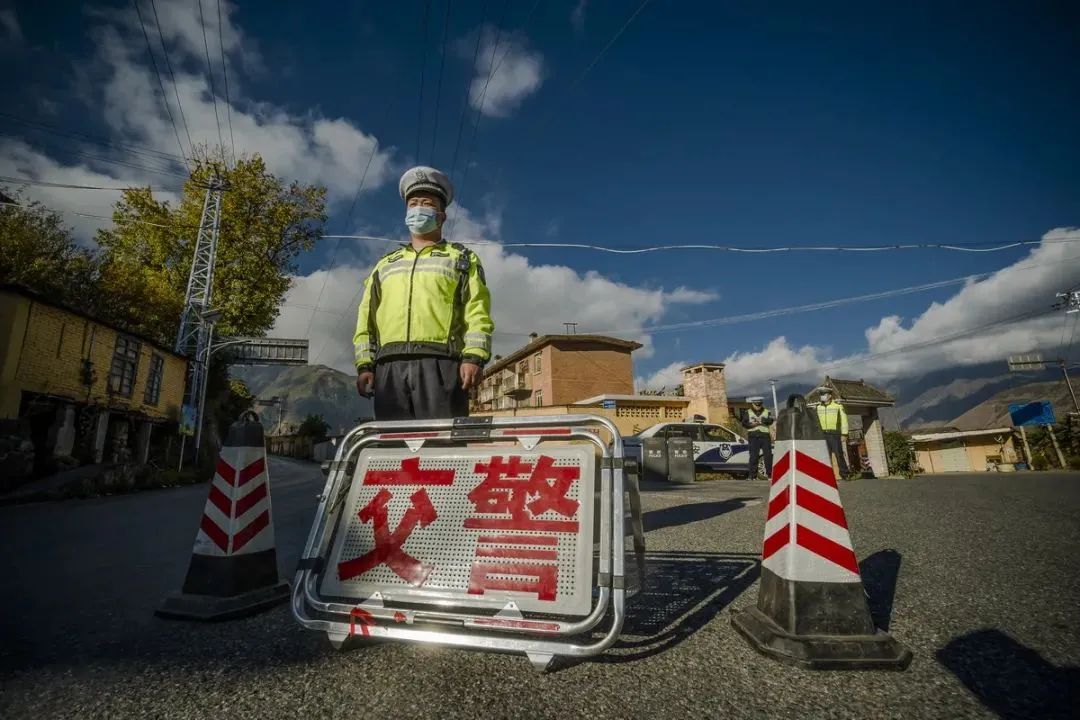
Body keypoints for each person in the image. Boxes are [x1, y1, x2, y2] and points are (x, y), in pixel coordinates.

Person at [353, 166, 494, 420]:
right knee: (393, 449)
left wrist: (473, 358)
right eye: (412, 204)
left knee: (441, 449)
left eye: (426, 204)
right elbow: (366, 318)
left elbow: (477, 311)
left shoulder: (462, 258)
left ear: (441, 216)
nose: (418, 209)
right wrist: (365, 365)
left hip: (441, 365)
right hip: (389, 369)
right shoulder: (385, 264)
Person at [816, 389, 849, 477]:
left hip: (835, 434)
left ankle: (844, 474)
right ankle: (827, 476)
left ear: (830, 396)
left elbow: (844, 420)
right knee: (825, 456)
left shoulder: (837, 406)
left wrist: (844, 434)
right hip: (823, 434)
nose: (822, 396)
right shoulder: (818, 407)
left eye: (824, 394)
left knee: (839, 454)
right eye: (821, 394)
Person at [740, 396, 774, 480]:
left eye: (759, 404)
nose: (758, 406)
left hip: (764, 436)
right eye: (756, 404)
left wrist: (763, 421)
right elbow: (744, 423)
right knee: (753, 456)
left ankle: (770, 475)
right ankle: (752, 476)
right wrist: (752, 425)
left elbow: (770, 421)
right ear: (752, 404)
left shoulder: (766, 411)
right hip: (753, 436)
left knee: (768, 456)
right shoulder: (748, 412)